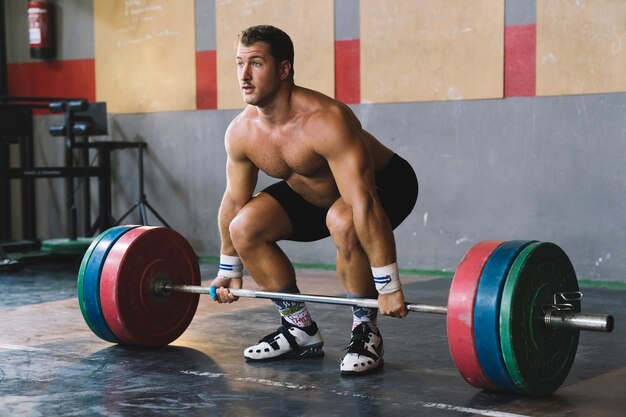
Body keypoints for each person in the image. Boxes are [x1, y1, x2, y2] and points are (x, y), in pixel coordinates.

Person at [210, 25, 418, 376]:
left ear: (284, 69)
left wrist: (389, 285)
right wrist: (228, 268)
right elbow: (234, 199)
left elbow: (363, 201)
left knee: (344, 219)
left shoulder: (327, 120)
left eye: (256, 63)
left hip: (384, 185)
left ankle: (366, 329)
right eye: (239, 64)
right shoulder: (241, 132)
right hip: (310, 194)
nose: (244, 76)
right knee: (244, 227)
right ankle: (300, 330)